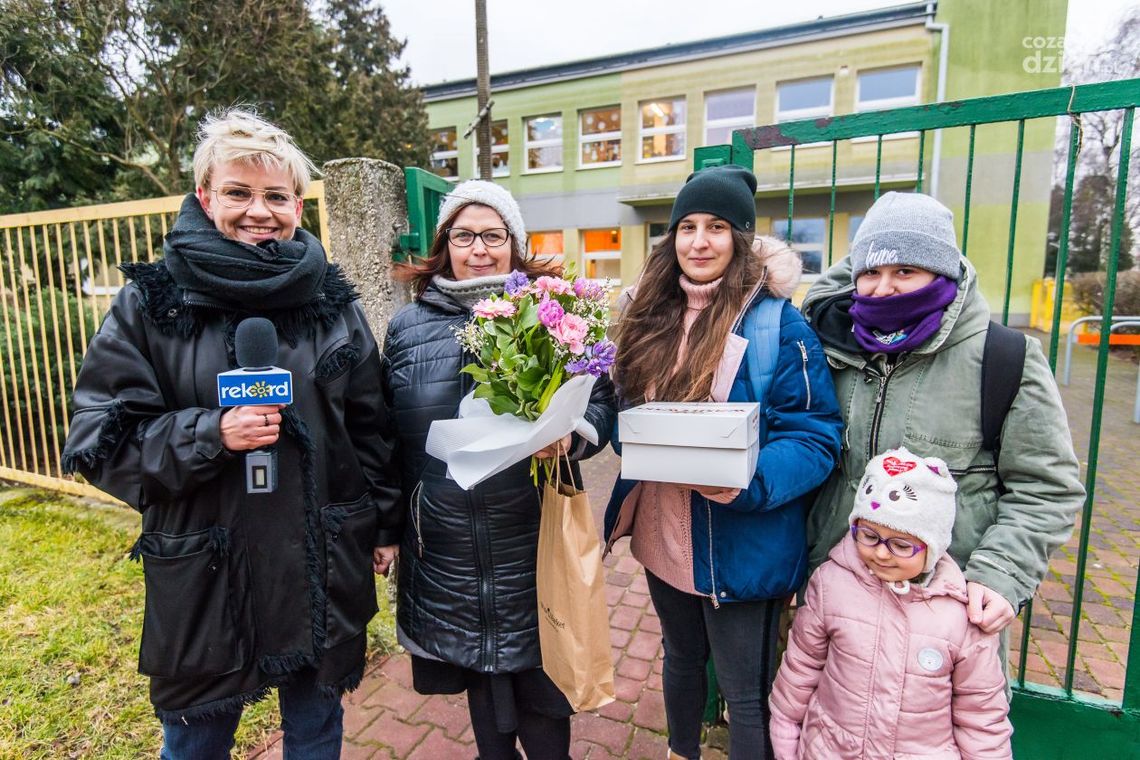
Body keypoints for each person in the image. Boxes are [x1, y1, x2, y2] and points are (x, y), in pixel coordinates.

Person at [61, 108, 401, 759]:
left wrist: (384, 526)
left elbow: (371, 426)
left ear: (297, 204)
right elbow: (100, 439)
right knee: (197, 743)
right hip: (209, 573)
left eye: (276, 196)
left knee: (315, 732)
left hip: (321, 560)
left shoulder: (332, 302)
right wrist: (210, 434)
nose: (259, 211)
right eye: (238, 193)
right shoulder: (152, 303)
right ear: (204, 196)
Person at [605, 165, 844, 760]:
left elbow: (815, 436)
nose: (699, 242)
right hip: (664, 536)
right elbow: (623, 411)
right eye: (686, 227)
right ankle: (680, 750)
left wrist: (746, 483)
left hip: (742, 543)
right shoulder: (646, 316)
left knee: (746, 695)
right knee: (681, 658)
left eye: (716, 226)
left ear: (739, 237)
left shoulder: (778, 324)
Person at [801, 191, 1084, 676]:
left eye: (905, 271)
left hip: (947, 612)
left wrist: (1001, 574)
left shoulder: (1004, 358)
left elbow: (1047, 487)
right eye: (870, 272)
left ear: (942, 274)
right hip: (836, 596)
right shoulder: (830, 347)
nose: (883, 289)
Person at [383, 179, 617, 760]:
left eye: (493, 235)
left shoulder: (553, 313)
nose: (479, 249)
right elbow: (386, 437)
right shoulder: (408, 327)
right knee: (484, 698)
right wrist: (390, 528)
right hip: (448, 549)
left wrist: (573, 435)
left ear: (515, 243)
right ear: (445, 244)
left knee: (544, 696)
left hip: (533, 540)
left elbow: (601, 400)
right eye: (464, 236)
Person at [769, 446, 1013, 759]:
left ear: (933, 546)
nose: (882, 553)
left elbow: (980, 714)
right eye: (869, 536)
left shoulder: (961, 613)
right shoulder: (830, 584)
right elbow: (801, 668)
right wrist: (786, 732)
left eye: (901, 544)